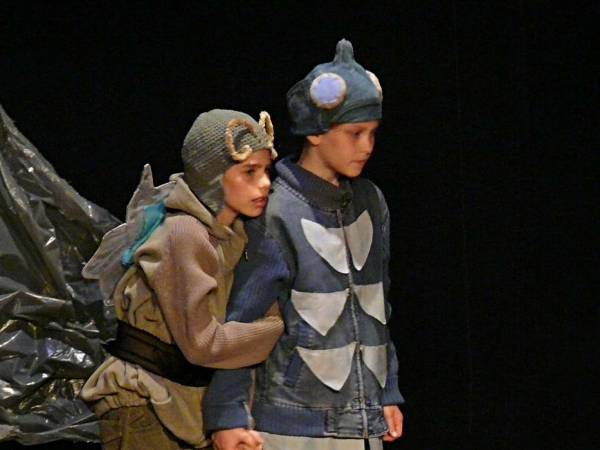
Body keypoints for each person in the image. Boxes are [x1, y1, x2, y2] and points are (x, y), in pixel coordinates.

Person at [204, 40, 404, 450]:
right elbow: (243, 318)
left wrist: (386, 391)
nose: (367, 146)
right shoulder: (277, 210)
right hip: (294, 426)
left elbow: (375, 306)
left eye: (372, 133)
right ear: (315, 132)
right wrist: (227, 414)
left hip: (362, 423)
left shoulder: (370, 201)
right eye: (354, 133)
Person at [79, 109, 283, 449]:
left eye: (266, 171)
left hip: (181, 403)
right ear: (214, 174)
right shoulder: (184, 233)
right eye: (249, 171)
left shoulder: (233, 235)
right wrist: (282, 327)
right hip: (143, 404)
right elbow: (205, 344)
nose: (265, 183)